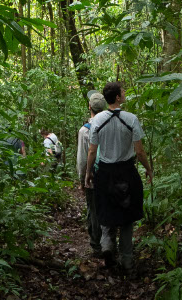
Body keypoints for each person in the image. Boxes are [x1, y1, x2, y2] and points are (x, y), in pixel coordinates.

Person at [85, 81, 153, 272]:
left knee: (106, 211)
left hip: (105, 173)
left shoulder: (97, 121)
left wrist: (89, 173)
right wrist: (148, 168)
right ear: (117, 97)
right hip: (126, 172)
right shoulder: (131, 119)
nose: (125, 93)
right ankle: (127, 261)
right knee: (127, 217)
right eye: (123, 91)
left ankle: (107, 246)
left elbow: (92, 151)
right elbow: (139, 151)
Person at [78, 91, 106, 256]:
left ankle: (96, 245)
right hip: (109, 174)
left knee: (93, 210)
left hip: (93, 176)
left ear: (89, 106)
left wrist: (82, 178)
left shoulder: (85, 130)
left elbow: (82, 158)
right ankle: (109, 243)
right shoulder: (109, 125)